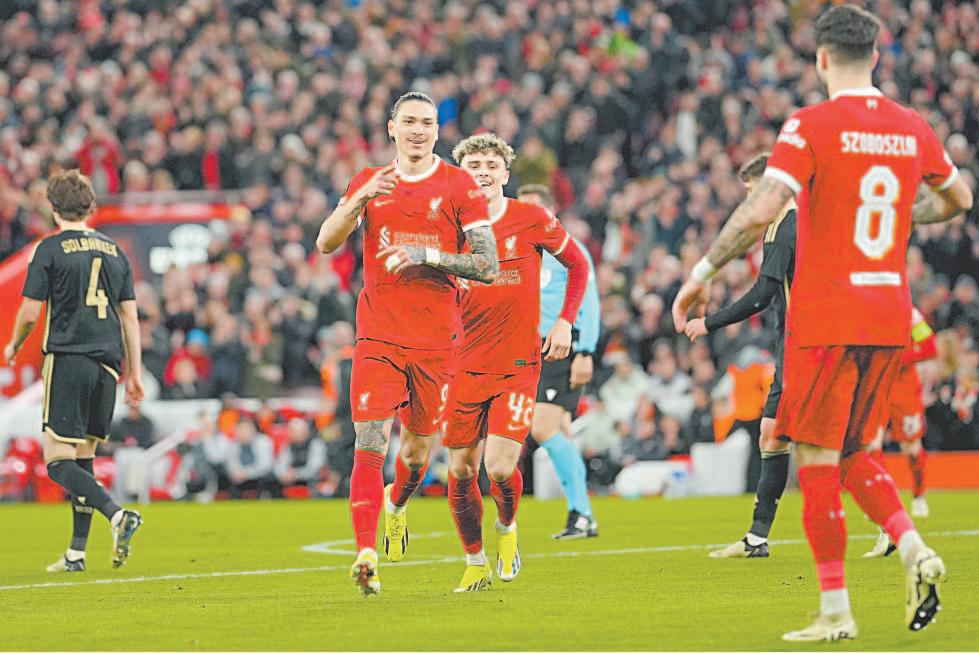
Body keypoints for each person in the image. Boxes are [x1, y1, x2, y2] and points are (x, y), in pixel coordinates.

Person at [671, 5, 972, 641]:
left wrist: (701, 272)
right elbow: (959, 198)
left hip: (826, 316)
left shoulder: (810, 124)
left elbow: (762, 209)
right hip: (888, 316)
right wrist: (905, 214)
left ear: (822, 58)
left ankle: (836, 610)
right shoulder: (911, 125)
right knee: (858, 452)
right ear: (877, 56)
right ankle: (913, 546)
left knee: (815, 458)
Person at [316, 92, 498, 596]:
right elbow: (326, 242)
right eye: (410, 121)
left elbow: (487, 266)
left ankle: (396, 504)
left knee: (416, 454)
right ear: (391, 128)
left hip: (437, 341)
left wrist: (427, 254)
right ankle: (366, 555)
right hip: (378, 334)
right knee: (369, 441)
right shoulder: (370, 181)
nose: (419, 130)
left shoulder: (459, 186)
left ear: (437, 131)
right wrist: (358, 199)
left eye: (427, 123)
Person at [443, 133, 587, 592]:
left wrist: (565, 322)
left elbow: (578, 265)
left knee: (500, 468)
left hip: (517, 364)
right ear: (461, 176)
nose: (483, 172)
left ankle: (506, 528)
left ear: (505, 173)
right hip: (462, 365)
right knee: (461, 470)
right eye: (474, 165)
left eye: (491, 164)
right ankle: (474, 560)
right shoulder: (447, 224)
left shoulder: (531, 218)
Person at [3, 170, 145, 572]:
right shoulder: (114, 251)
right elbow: (130, 317)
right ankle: (76, 553)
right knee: (83, 458)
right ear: (91, 206)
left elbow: (30, 312)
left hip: (69, 358)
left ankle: (117, 515)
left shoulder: (49, 248)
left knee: (57, 460)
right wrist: (135, 372)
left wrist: (14, 344)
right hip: (108, 366)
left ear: (52, 208)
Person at [683, 152, 796, 559]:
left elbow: (762, 295)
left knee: (827, 441)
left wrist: (708, 323)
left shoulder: (787, 228)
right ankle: (756, 538)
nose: (750, 199)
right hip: (794, 343)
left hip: (805, 347)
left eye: (753, 190)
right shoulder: (780, 225)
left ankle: (891, 524)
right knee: (772, 433)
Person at [517, 183, 602, 539]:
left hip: (561, 348)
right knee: (560, 430)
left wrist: (586, 351)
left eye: (532, 207)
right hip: (527, 350)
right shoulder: (519, 252)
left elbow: (590, 301)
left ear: (551, 212)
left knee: (543, 427)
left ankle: (581, 513)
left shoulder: (568, 249)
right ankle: (582, 514)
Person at [864, 306, 938, 557]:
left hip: (904, 389)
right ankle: (885, 503)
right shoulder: (864, 308)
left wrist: (899, 358)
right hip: (875, 386)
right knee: (871, 446)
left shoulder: (909, 313)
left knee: (912, 450)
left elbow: (929, 347)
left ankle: (919, 493)